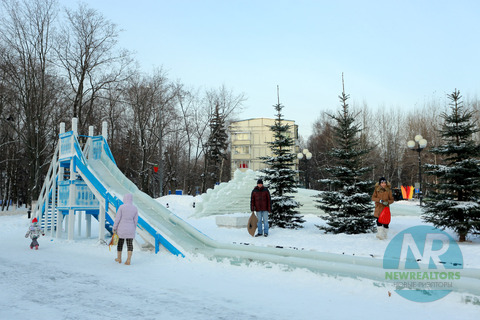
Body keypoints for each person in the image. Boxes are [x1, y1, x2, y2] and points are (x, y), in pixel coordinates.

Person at [113, 193, 138, 265]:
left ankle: (119, 258)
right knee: (129, 244)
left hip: (121, 229)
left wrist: (115, 227)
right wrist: (133, 228)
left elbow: (117, 219)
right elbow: (135, 221)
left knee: (120, 243)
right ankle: (128, 260)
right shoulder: (134, 208)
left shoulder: (121, 207)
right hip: (131, 229)